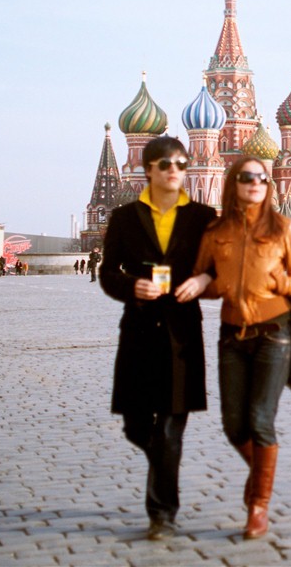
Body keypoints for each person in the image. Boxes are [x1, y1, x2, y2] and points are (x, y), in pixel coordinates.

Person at [176, 155, 291, 540]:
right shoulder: (216, 232)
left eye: (262, 177)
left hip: (275, 332)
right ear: (233, 182)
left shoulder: (283, 227)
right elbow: (206, 275)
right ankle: (260, 476)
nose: (256, 182)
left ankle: (258, 506)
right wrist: (205, 284)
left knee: (259, 418)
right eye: (247, 176)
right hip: (232, 335)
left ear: (269, 186)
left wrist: (278, 283)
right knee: (233, 424)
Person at [98, 136, 217, 541]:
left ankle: (161, 512)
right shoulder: (125, 216)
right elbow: (107, 273)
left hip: (182, 334)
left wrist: (203, 278)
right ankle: (163, 465)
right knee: (136, 427)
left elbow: (219, 265)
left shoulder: (202, 216)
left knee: (169, 428)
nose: (174, 171)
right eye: (166, 164)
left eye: (181, 164)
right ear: (148, 168)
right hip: (138, 331)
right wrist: (132, 286)